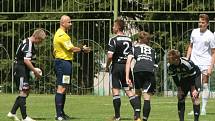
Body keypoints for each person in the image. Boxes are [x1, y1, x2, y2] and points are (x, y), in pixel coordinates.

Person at [53, 15, 90, 121]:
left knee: (64, 87)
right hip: (63, 63)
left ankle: (61, 113)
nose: (71, 24)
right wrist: (82, 49)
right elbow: (71, 49)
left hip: (65, 63)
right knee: (61, 87)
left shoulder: (60, 34)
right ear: (63, 23)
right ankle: (58, 115)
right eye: (69, 22)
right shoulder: (62, 35)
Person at [105, 19, 141, 121]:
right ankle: (137, 116)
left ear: (117, 27)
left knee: (116, 91)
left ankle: (117, 117)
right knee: (129, 91)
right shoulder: (129, 39)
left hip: (116, 66)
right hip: (127, 66)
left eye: (113, 26)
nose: (112, 28)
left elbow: (110, 56)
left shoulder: (113, 39)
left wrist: (107, 66)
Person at [7, 29, 46, 121]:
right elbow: (26, 60)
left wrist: (33, 70)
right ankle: (25, 118)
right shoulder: (28, 44)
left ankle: (12, 113)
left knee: (26, 91)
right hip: (20, 69)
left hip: (23, 69)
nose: (40, 43)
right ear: (36, 37)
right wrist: (35, 71)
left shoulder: (28, 42)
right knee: (24, 92)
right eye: (40, 40)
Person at [186, 14, 215, 115]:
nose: (200, 24)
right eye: (199, 22)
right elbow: (190, 46)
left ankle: (203, 108)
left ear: (207, 24)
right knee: (194, 86)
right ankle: (195, 108)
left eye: (203, 22)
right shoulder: (194, 32)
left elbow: (213, 52)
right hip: (194, 63)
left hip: (205, 63)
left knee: (205, 85)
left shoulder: (210, 35)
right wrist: (187, 59)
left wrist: (211, 66)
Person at [126, 31, 156, 121]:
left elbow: (128, 62)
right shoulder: (153, 50)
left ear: (139, 39)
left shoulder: (134, 48)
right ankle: (144, 119)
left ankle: (137, 117)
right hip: (149, 71)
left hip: (138, 70)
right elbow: (154, 65)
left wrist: (127, 77)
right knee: (147, 97)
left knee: (137, 93)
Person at [168, 49, 201, 121]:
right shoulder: (170, 66)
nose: (168, 60)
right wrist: (179, 89)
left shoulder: (186, 64)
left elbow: (192, 76)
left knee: (195, 97)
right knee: (180, 97)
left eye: (170, 59)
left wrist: (193, 89)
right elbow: (175, 77)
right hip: (185, 77)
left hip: (195, 76)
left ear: (176, 59)